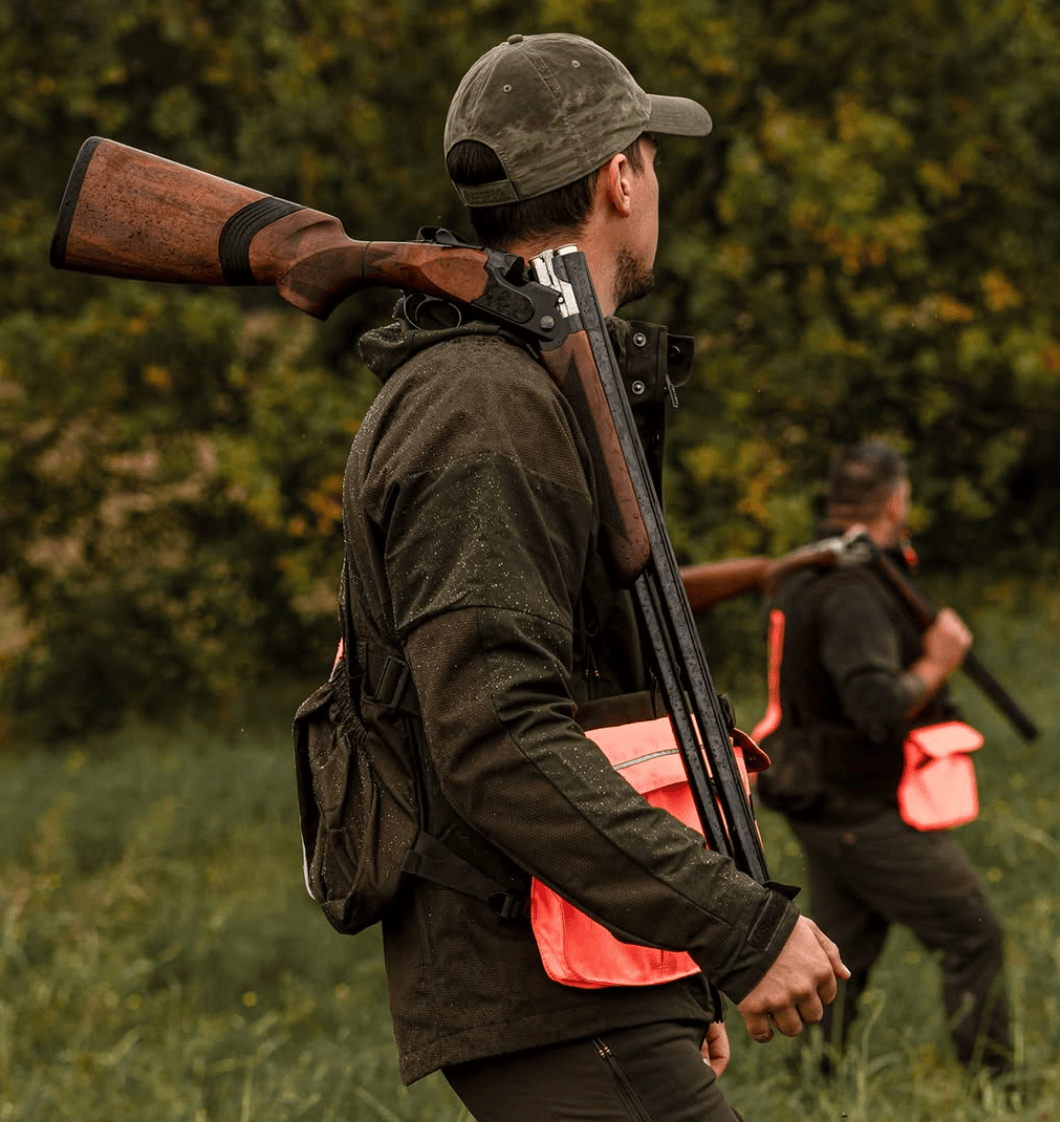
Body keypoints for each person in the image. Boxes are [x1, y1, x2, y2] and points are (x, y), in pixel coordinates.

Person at [340, 32, 847, 1121]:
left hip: (596, 962)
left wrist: (680, 961)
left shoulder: (536, 379)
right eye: (650, 160)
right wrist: (739, 928)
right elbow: (497, 734)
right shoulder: (485, 401)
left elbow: (602, 680)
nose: (652, 182)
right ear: (621, 177)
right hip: (536, 966)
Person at [754, 439, 1012, 1078]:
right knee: (973, 932)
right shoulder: (852, 589)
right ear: (897, 499)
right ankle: (997, 1089)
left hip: (825, 796)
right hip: (858, 805)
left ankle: (808, 1090)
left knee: (843, 957)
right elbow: (872, 703)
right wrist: (936, 663)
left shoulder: (811, 571)